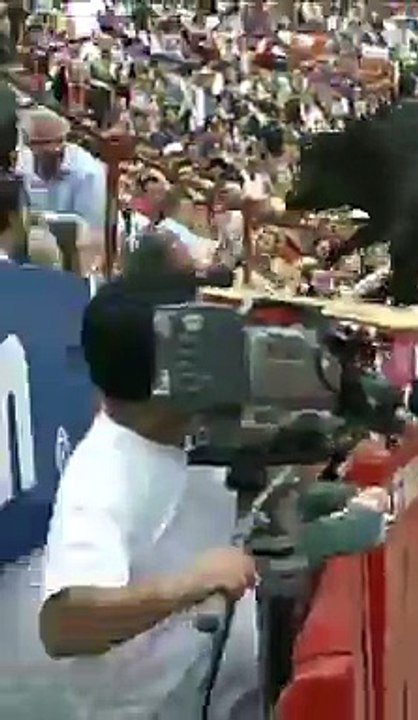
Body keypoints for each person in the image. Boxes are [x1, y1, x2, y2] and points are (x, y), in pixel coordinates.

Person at [39, 239, 262, 720]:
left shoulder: (184, 435)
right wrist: (189, 584)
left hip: (216, 688)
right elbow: (63, 625)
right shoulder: (104, 473)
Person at [17, 108, 106, 273]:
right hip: (30, 249)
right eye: (32, 145)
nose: (37, 152)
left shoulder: (88, 172)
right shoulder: (22, 164)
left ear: (61, 142)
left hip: (76, 253)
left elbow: (92, 232)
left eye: (44, 144)